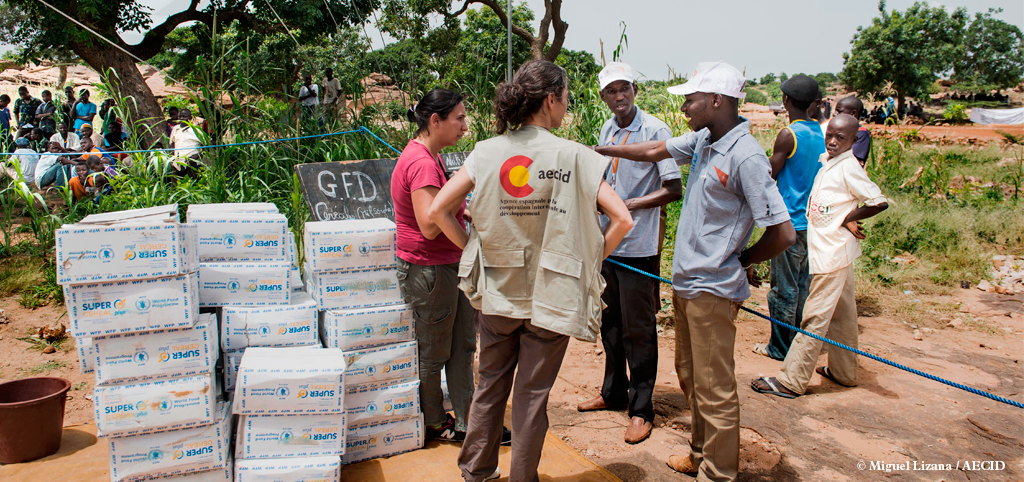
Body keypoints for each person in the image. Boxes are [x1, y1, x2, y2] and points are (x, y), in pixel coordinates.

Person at [429, 59, 633, 482]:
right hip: (552, 296)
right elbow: (623, 220)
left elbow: (438, 210)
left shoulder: (486, 152)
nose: (566, 106)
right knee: (531, 395)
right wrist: (590, 262)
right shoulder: (576, 157)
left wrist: (472, 250)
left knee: (490, 384)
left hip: (498, 291)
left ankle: (477, 471)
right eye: (566, 98)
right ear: (551, 99)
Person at [596, 61, 796, 481]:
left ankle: (717, 473)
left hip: (713, 288)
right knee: (691, 377)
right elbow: (653, 151)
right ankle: (700, 453)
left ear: (717, 100)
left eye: (691, 99)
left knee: (714, 387)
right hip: (688, 283)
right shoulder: (706, 139)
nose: (684, 107)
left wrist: (744, 259)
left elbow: (783, 233)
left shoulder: (745, 156)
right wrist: (599, 152)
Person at [390, 88, 505, 446]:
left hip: (447, 267)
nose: (465, 126)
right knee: (434, 351)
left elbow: (446, 207)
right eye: (459, 118)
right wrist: (471, 248)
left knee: (463, 347)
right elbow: (429, 223)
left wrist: (468, 211)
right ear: (435, 120)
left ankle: (470, 421)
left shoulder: (432, 156)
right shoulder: (422, 162)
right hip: (430, 271)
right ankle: (435, 421)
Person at [576, 62, 682, 445]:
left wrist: (628, 206)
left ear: (635, 89)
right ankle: (613, 392)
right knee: (611, 324)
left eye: (625, 88)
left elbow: (673, 188)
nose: (619, 96)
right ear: (603, 96)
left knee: (639, 329)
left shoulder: (655, 131)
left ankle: (641, 408)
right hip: (608, 243)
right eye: (611, 91)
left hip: (638, 247)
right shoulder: (608, 129)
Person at [751, 114, 888, 399]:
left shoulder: (848, 166)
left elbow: (878, 201)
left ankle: (791, 380)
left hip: (832, 253)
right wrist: (842, 215)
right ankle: (844, 372)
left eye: (841, 138)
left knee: (814, 317)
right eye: (830, 136)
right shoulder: (829, 161)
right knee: (843, 316)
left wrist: (848, 217)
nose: (833, 141)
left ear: (854, 141)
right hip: (835, 250)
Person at [753, 75, 826, 361]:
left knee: (783, 289)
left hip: (789, 223)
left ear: (786, 100)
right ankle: (797, 343)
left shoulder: (789, 135)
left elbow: (770, 173)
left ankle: (779, 348)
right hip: (813, 223)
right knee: (803, 286)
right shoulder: (820, 132)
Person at [834, 96, 872, 167]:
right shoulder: (836, 131)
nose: (835, 114)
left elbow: (853, 161)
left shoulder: (861, 133)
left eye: (839, 111)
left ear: (853, 113)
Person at [169, 109, 204, 177]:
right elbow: (172, 143)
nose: (182, 119)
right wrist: (172, 157)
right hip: (177, 164)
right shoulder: (176, 129)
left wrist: (198, 155)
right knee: (175, 182)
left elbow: (207, 145)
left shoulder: (196, 130)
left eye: (184, 116)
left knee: (193, 182)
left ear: (190, 118)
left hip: (192, 163)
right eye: (180, 116)